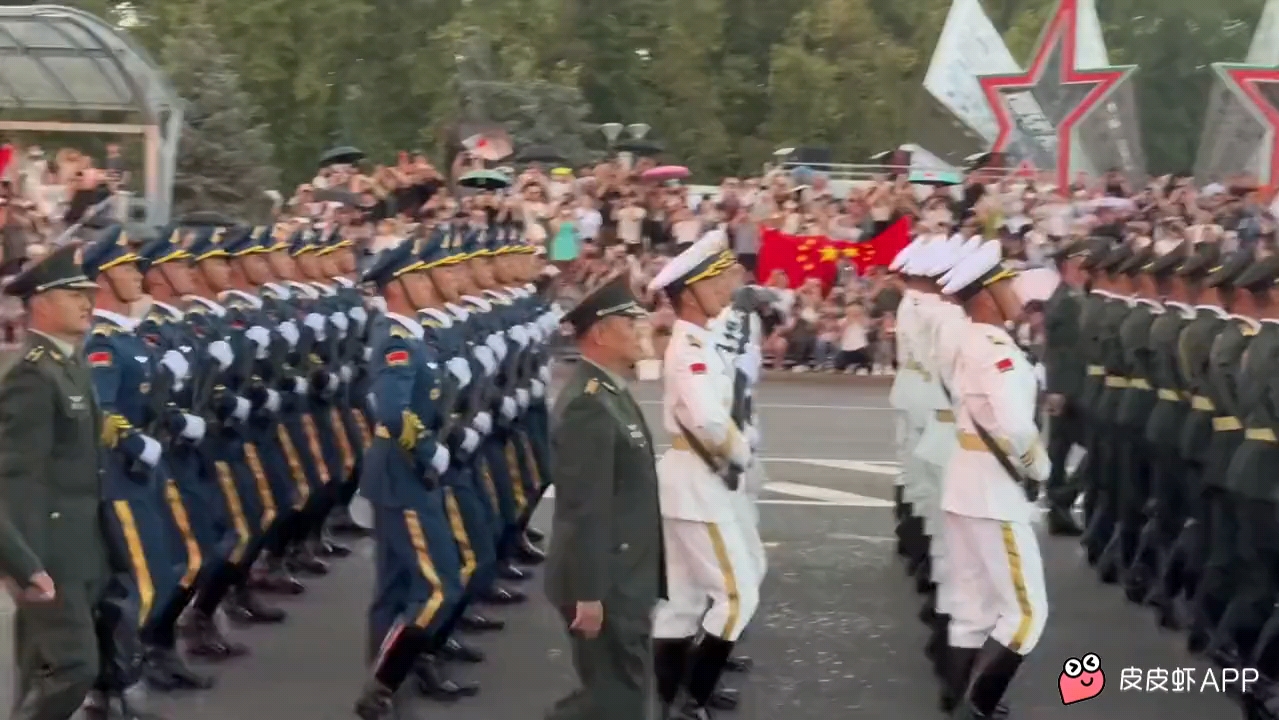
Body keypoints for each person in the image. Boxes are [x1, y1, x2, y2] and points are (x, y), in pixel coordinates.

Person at [936, 240, 1050, 720]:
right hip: (993, 490)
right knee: (1026, 614)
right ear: (985, 295)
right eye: (1005, 283)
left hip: (966, 482)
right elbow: (1017, 426)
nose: (1015, 289)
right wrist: (1039, 468)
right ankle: (975, 707)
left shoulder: (967, 340)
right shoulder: (997, 349)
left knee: (972, 610)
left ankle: (957, 701)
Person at [648, 237, 761, 720]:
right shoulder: (689, 347)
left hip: (691, 480)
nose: (724, 289)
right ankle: (691, 696)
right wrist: (741, 449)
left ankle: (675, 695)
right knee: (737, 598)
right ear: (690, 294)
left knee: (684, 600)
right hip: (697, 481)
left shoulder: (702, 339)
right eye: (714, 281)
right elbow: (708, 420)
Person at [544, 272, 662, 720]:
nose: (640, 332)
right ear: (599, 334)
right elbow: (583, 509)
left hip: (623, 574)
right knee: (619, 700)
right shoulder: (588, 403)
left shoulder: (610, 390)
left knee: (612, 695)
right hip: (606, 582)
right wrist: (588, 594)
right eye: (629, 324)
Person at [353, 238, 461, 720]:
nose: (428, 282)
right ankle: (383, 682)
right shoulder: (396, 340)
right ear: (396, 287)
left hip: (398, 472)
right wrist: (430, 450)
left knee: (396, 584)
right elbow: (394, 413)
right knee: (441, 585)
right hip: (404, 474)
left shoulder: (410, 335)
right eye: (418, 277)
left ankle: (387, 673)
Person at [0, 243, 105, 720]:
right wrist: (23, 563)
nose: (88, 302)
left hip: (80, 543)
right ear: (41, 301)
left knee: (40, 663)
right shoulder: (33, 377)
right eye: (74, 293)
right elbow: (13, 476)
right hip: (49, 551)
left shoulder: (71, 364)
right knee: (74, 667)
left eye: (89, 292)